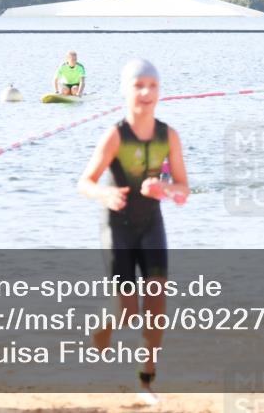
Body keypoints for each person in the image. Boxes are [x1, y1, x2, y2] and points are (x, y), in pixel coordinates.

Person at [77, 59, 189, 399]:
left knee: (157, 304)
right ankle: (101, 329)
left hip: (151, 224)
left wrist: (164, 189)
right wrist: (104, 193)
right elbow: (85, 182)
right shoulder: (115, 135)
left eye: (152, 86)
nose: (146, 93)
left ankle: (146, 380)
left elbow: (183, 188)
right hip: (117, 225)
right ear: (125, 91)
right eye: (138, 86)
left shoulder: (168, 136)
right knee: (125, 310)